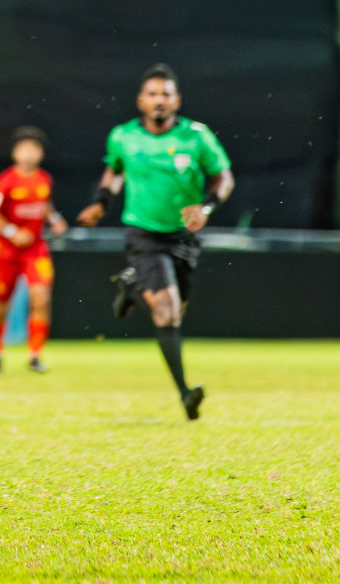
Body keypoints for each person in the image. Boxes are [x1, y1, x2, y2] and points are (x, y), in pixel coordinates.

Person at [78, 64, 233, 420]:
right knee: (166, 310)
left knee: (177, 312)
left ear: (176, 100)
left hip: (183, 236)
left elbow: (223, 177)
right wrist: (101, 202)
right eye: (152, 94)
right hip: (144, 233)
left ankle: (132, 284)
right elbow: (115, 170)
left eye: (165, 94)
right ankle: (185, 393)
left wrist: (207, 207)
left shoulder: (197, 136)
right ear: (140, 101)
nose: (159, 100)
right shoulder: (124, 136)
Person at [0, 127, 66, 374]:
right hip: (8, 252)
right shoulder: (5, 181)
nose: (29, 154)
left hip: (35, 250)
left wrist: (55, 219)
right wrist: (12, 232)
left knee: (41, 298)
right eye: (24, 149)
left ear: (41, 153)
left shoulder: (44, 179)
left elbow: (45, 205)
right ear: (15, 153)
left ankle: (35, 356)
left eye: (34, 149)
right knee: (2, 305)